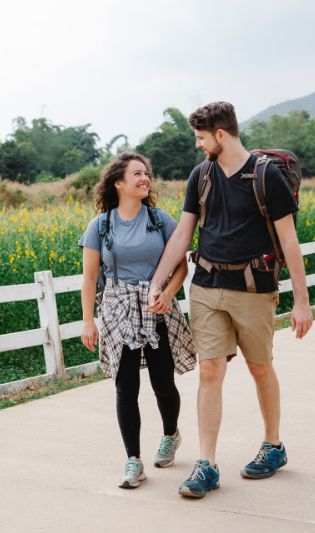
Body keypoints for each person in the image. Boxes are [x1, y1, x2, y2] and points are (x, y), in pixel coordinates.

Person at [147, 101, 313, 498]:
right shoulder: (201, 175)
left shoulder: (266, 177)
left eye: (201, 138)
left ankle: (273, 445)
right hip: (205, 286)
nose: (199, 145)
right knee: (210, 372)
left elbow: (289, 241)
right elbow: (183, 235)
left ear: (221, 135)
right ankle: (207, 465)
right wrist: (158, 281)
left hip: (253, 289)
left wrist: (302, 302)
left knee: (259, 368)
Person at [79, 152, 196, 489]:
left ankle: (171, 434)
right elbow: (89, 279)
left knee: (163, 382)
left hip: (156, 307)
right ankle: (133, 461)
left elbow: (181, 266)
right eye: (137, 174)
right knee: (125, 387)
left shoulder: (160, 220)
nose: (145, 179)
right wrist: (89, 321)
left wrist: (169, 294)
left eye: (147, 174)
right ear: (119, 183)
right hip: (117, 309)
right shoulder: (100, 226)